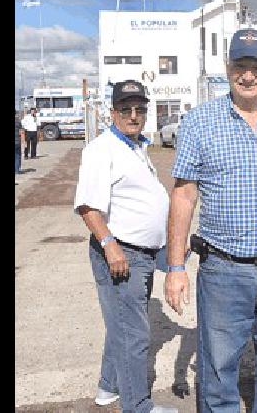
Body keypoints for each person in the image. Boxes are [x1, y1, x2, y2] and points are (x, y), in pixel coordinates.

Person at [163, 29, 257, 413]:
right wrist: (175, 268)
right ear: (227, 69)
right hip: (224, 270)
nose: (248, 76)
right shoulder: (199, 122)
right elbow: (183, 195)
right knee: (219, 372)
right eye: (240, 66)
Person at [72, 79, 178, 413]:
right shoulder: (101, 149)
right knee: (134, 334)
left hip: (140, 253)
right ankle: (137, 405)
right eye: (126, 109)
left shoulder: (135, 145)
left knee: (121, 324)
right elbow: (88, 207)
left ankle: (108, 388)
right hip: (121, 254)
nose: (134, 115)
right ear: (113, 112)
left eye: (140, 109)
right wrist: (110, 246)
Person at [15, 110, 26, 175]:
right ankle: (17, 170)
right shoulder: (18, 122)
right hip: (17, 142)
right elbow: (22, 132)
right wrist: (23, 141)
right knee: (18, 156)